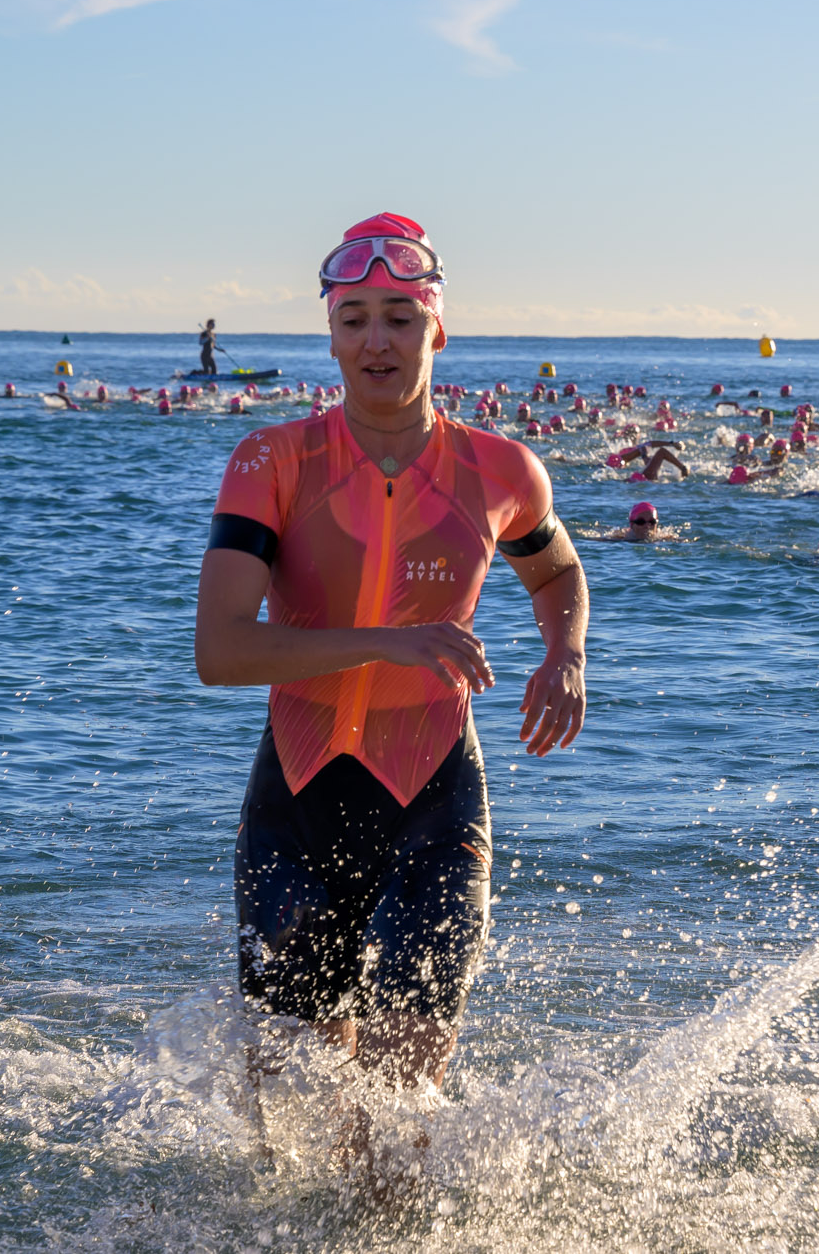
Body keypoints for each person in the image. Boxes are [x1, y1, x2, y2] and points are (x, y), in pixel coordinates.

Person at [194, 214, 589, 1164]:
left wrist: (564, 655)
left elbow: (558, 575)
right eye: (357, 318)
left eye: (401, 318)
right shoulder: (271, 462)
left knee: (401, 1094)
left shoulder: (501, 470)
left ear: (436, 331)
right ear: (330, 335)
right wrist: (390, 642)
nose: (378, 339)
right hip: (298, 794)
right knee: (289, 1116)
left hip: (435, 794)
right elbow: (220, 651)